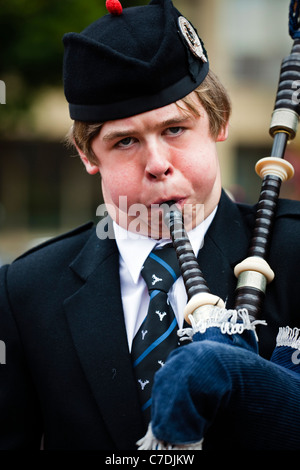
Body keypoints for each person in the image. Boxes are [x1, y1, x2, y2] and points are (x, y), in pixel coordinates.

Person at [0, 0, 299, 450]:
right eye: (125, 141)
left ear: (219, 122)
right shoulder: (25, 291)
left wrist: (270, 399)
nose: (158, 164)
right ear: (87, 155)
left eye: (175, 129)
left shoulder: (294, 253)